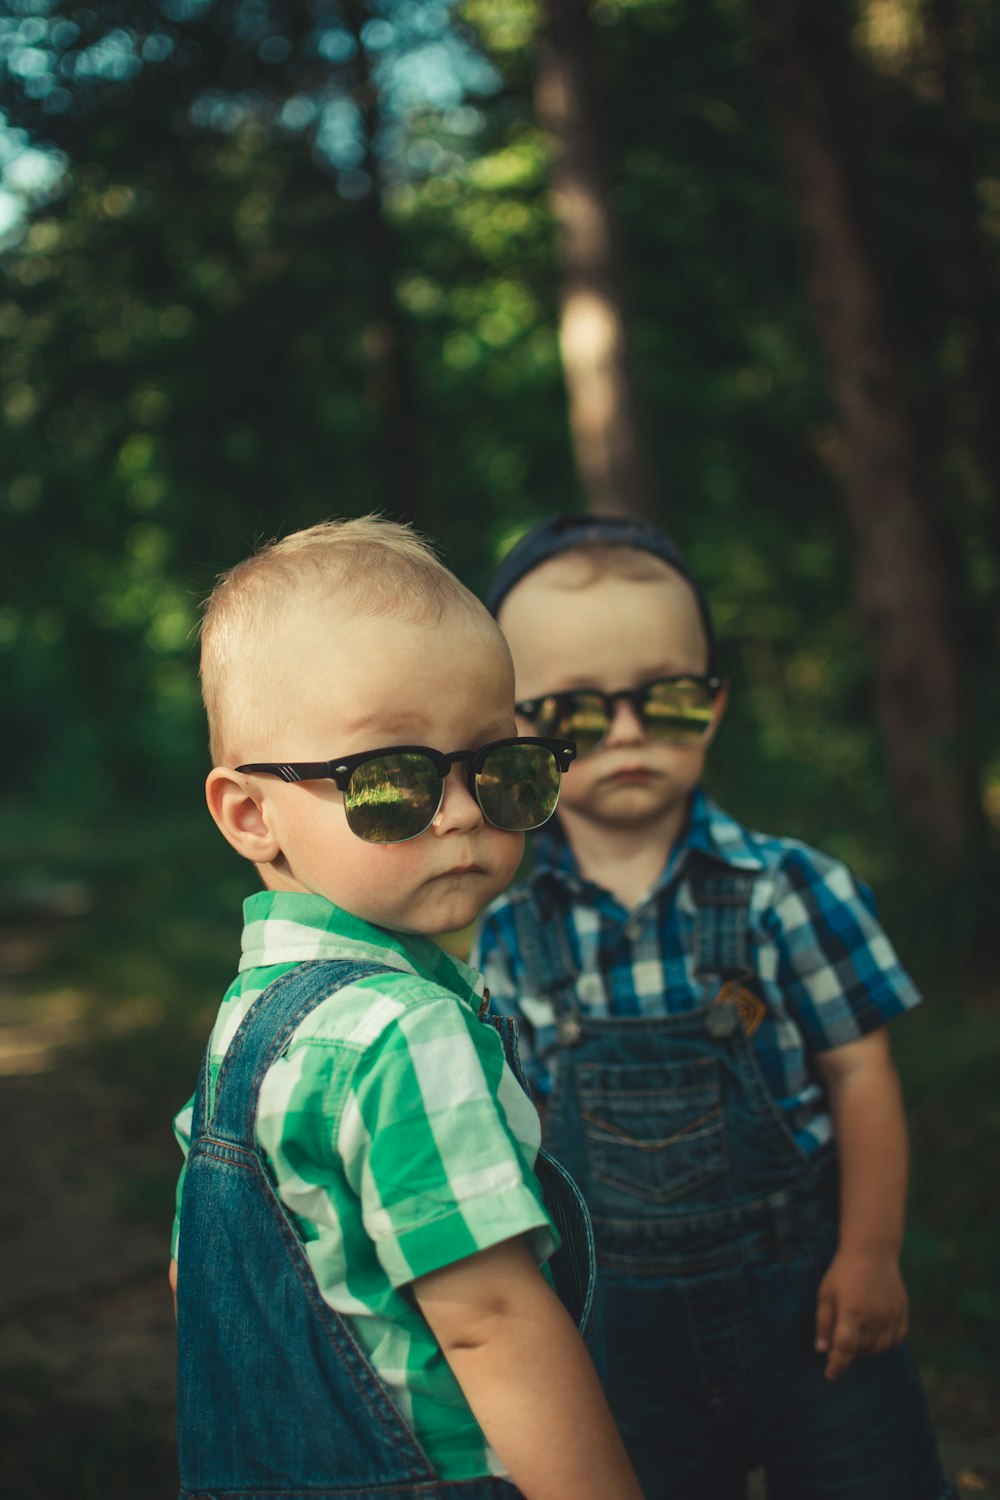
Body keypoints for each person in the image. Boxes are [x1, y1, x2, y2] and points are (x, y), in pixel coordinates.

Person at [473, 512, 956, 1500]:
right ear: (522, 731)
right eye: (576, 713)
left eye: (668, 701)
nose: (628, 733)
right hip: (615, 1340)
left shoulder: (790, 888)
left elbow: (859, 1073)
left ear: (714, 705)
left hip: (811, 1318)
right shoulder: (502, 928)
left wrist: (869, 1255)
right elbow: (503, 1135)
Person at [168, 517, 645, 1500]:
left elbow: (203, 1284)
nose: (464, 810)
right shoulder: (404, 1034)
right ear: (251, 814)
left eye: (498, 767)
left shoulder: (249, 1025)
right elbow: (491, 1321)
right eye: (391, 780)